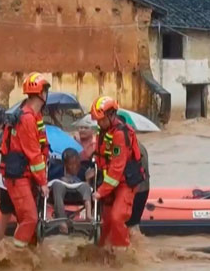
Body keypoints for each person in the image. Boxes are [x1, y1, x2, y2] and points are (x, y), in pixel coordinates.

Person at [0, 72, 50, 248]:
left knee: (28, 221)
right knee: (30, 218)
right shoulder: (27, 118)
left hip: (25, 175)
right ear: (42, 94)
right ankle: (16, 255)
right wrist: (43, 182)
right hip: (19, 176)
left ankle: (28, 256)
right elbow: (34, 154)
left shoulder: (32, 116)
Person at [91, 96, 145, 249]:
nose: (99, 123)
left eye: (101, 119)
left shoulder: (120, 134)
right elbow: (101, 159)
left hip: (124, 183)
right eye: (97, 120)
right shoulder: (102, 131)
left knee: (116, 218)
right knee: (106, 223)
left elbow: (117, 168)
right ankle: (102, 251)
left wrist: (100, 192)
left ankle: (123, 255)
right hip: (110, 183)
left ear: (111, 115)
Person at [49, 148, 93, 234]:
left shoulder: (83, 171)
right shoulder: (56, 171)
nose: (75, 166)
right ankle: (61, 221)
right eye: (71, 164)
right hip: (61, 192)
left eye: (77, 163)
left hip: (77, 194)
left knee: (86, 186)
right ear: (65, 164)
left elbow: (90, 189)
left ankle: (88, 215)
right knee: (57, 185)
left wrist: (88, 180)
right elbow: (49, 183)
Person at [126, 142, 150, 231]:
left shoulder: (132, 148)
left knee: (131, 224)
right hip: (143, 188)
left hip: (136, 190)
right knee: (134, 224)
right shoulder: (139, 146)